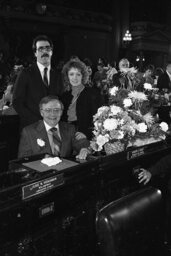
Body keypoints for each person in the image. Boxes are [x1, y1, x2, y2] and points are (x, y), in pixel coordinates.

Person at [13, 35, 63, 129]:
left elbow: (60, 100)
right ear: (35, 53)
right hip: (31, 128)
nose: (45, 51)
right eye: (40, 49)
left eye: (47, 48)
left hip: (53, 127)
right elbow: (17, 102)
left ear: (51, 52)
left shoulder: (58, 75)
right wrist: (38, 122)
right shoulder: (25, 73)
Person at [18, 95, 90, 160]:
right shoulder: (29, 132)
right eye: (48, 110)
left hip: (65, 171)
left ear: (61, 112)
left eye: (56, 110)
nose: (52, 114)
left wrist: (84, 148)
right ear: (41, 112)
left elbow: (81, 142)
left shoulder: (70, 128)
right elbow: (23, 159)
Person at [60, 59, 104, 140]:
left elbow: (98, 119)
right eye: (71, 74)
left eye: (78, 74)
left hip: (84, 135)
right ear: (67, 76)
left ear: (83, 76)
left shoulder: (93, 93)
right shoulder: (64, 96)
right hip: (66, 133)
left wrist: (87, 134)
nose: (75, 78)